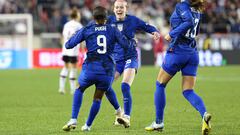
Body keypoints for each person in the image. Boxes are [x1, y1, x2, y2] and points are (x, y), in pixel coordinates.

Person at [145, 0, 212, 135]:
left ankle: (159, 122)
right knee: (188, 91)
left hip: (177, 52)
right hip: (192, 53)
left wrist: (172, 33)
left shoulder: (182, 5)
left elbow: (188, 22)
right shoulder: (197, 9)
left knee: (160, 84)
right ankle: (204, 114)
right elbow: (196, 31)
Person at [62, 6, 133, 132]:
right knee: (98, 97)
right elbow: (126, 45)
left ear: (93, 18)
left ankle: (73, 119)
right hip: (107, 70)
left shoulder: (87, 29)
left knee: (79, 89)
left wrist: (75, 36)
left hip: (90, 68)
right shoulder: (113, 29)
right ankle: (88, 125)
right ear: (106, 18)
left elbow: (68, 45)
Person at [104, 0, 160, 128]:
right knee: (105, 86)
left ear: (126, 9)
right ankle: (119, 111)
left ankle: (127, 117)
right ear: (113, 9)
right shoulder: (109, 21)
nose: (119, 9)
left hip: (130, 57)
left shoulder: (133, 20)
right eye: (117, 7)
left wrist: (154, 31)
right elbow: (94, 28)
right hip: (116, 60)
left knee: (125, 86)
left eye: (121, 7)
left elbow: (146, 26)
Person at [59, 8, 83, 94]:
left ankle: (61, 88)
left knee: (65, 67)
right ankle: (73, 90)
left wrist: (63, 47)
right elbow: (82, 38)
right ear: (77, 15)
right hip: (73, 50)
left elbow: (62, 37)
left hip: (65, 49)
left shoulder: (66, 24)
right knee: (73, 69)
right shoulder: (78, 25)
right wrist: (83, 50)